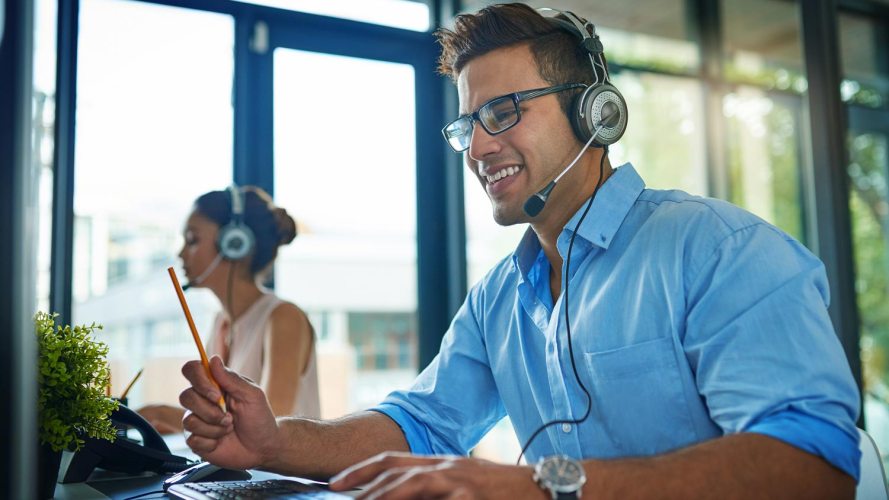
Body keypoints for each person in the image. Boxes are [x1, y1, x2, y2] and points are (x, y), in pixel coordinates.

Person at [177, 4, 861, 498]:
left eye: (503, 113)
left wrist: (544, 484)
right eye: (467, 125)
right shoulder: (500, 296)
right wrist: (275, 443)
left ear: (595, 113)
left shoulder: (719, 250)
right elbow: (421, 422)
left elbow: (812, 464)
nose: (477, 148)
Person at [139, 185, 320, 434]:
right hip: (245, 473)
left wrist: (169, 418)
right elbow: (220, 419)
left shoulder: (283, 318)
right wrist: (158, 417)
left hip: (283, 474)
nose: (180, 254)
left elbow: (268, 428)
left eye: (192, 240)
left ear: (234, 243)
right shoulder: (220, 322)